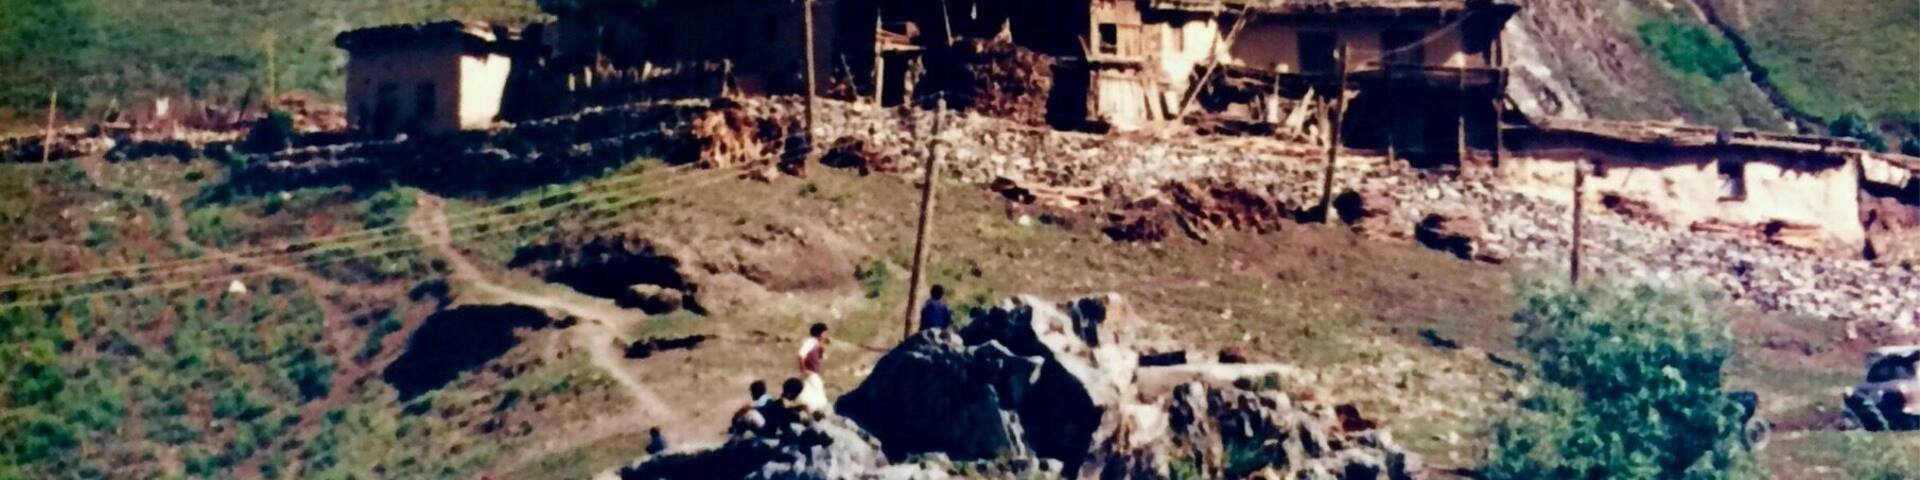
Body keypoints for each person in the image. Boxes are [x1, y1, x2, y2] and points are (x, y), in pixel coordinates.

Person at [795, 323, 832, 412]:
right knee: (818, 392)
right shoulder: (810, 342)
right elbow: (801, 354)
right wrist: (804, 369)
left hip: (813, 373)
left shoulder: (817, 344)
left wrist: (822, 348)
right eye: (824, 333)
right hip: (810, 373)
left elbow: (821, 358)